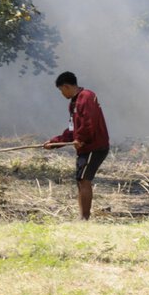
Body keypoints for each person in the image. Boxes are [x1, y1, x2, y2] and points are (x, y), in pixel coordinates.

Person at [45, 71, 110, 220]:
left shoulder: (86, 97)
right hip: (84, 147)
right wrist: (54, 142)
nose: (62, 93)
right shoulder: (73, 103)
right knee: (81, 180)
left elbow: (89, 122)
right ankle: (82, 217)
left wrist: (80, 139)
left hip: (94, 146)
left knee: (84, 180)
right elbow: (72, 130)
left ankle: (84, 218)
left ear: (67, 86)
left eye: (61, 90)